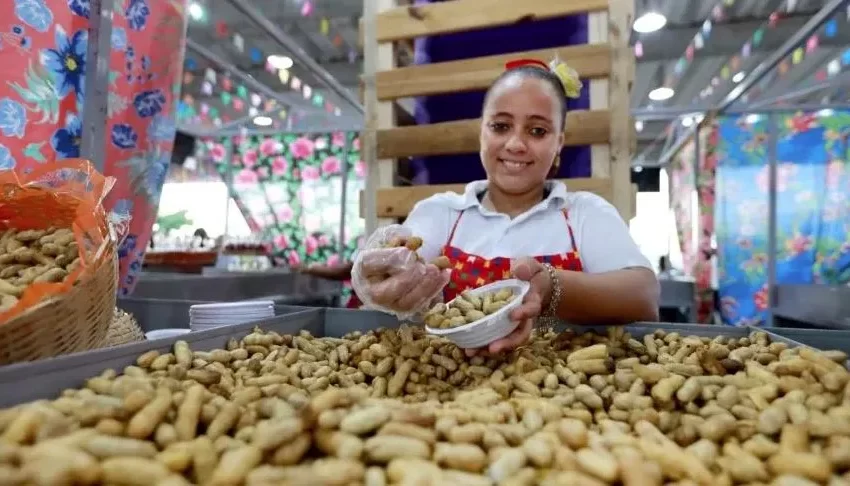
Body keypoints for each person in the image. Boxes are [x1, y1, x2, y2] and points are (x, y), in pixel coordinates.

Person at [351, 57, 660, 355]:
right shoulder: (442, 213)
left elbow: (644, 297)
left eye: (537, 131)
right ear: (481, 132)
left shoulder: (584, 214)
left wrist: (551, 287)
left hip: (560, 393)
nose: (515, 144)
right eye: (500, 126)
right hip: (449, 390)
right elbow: (404, 254)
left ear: (559, 143)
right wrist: (384, 269)